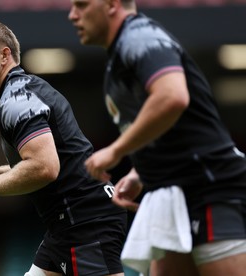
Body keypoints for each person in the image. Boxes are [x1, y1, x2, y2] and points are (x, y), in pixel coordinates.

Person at [68, 0, 246, 276]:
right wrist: (141, 172)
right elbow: (169, 126)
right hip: (172, 193)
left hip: (210, 189)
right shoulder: (120, 55)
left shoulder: (139, 37)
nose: (72, 15)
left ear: (112, 4)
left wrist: (115, 151)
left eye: (81, 5)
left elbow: (173, 96)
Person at [0, 20, 127, 276]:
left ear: (5, 55)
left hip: (84, 220)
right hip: (69, 221)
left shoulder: (17, 99)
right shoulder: (20, 91)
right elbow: (43, 160)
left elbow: (45, 167)